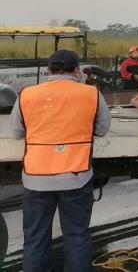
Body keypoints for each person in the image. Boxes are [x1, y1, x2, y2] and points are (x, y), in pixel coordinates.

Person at [9, 50, 111, 272]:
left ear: (48, 70)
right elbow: (102, 129)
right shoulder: (92, 94)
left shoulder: (27, 94)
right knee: (76, 235)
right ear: (77, 70)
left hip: (36, 178)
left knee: (35, 237)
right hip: (76, 177)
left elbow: (16, 133)